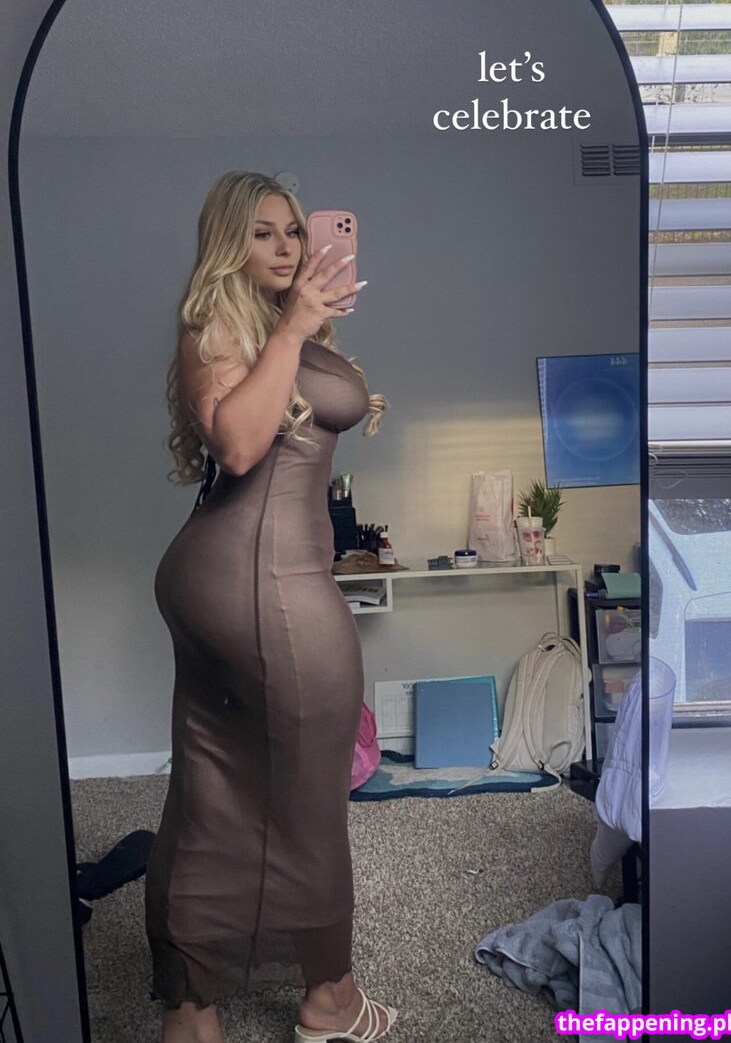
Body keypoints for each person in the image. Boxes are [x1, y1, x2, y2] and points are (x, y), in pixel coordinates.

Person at [144, 171, 397, 1043]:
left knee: (212, 786)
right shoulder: (217, 323)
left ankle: (191, 1013)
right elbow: (242, 446)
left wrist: (299, 324)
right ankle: (329, 999)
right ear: (228, 242)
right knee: (308, 793)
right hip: (264, 583)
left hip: (232, 577)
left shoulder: (272, 324)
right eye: (263, 233)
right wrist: (294, 329)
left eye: (294, 231)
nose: (287, 247)